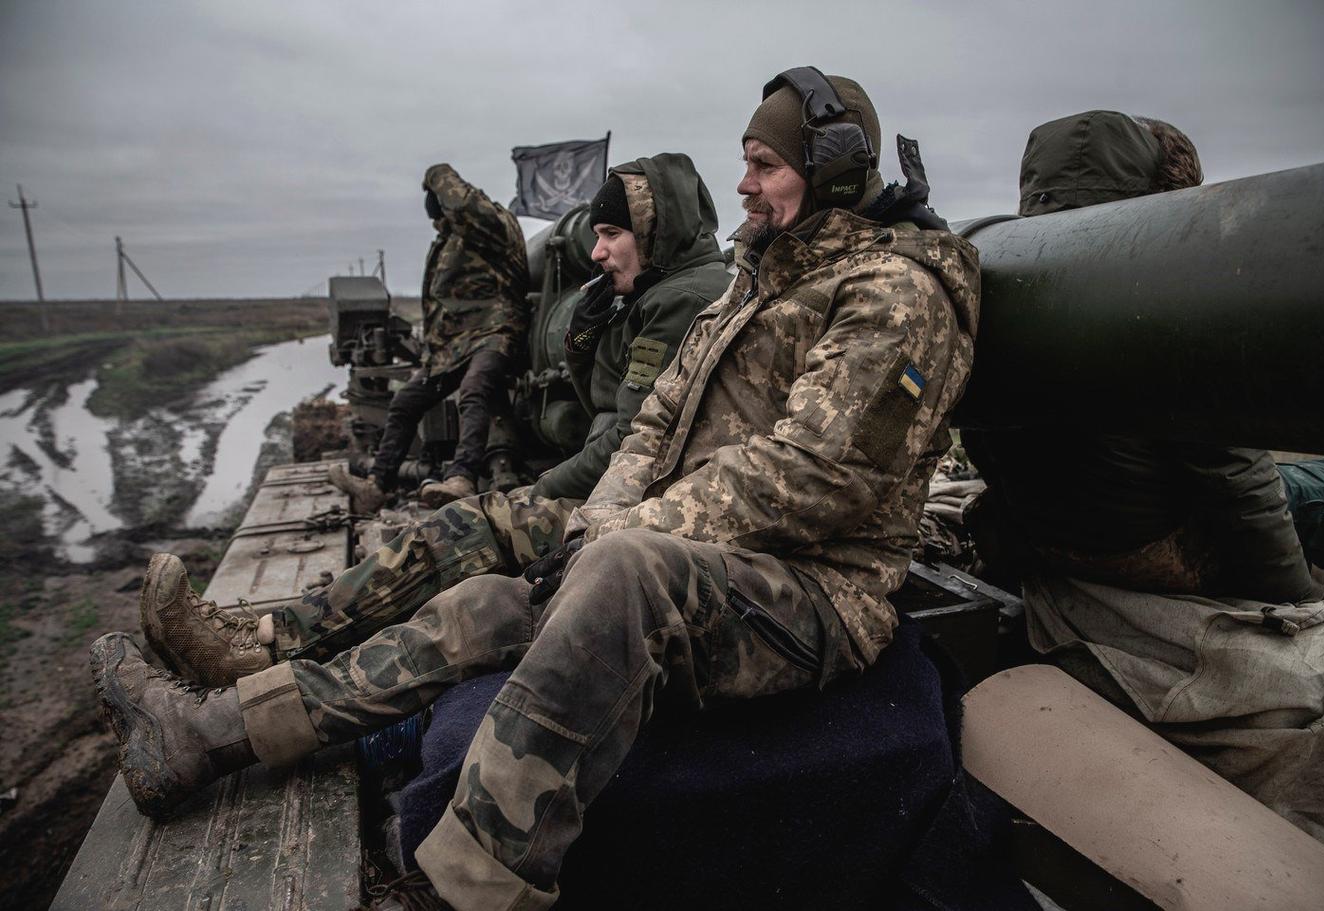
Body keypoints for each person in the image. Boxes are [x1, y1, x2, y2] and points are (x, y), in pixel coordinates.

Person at [93, 67, 980, 907]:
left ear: (831, 174)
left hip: (816, 588)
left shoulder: (896, 295)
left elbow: (814, 479)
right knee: (485, 603)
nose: (744, 184)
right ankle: (205, 735)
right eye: (743, 162)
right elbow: (652, 426)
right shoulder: (759, 277)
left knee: (621, 573)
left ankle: (459, 891)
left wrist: (628, 533)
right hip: (702, 552)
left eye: (765, 164)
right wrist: (599, 521)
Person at [141, 154, 731, 686]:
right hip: (628, 493)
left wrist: (542, 488)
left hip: (640, 504)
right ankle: (270, 636)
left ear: (654, 231)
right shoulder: (657, 292)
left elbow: (630, 442)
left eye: (611, 234)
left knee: (455, 536)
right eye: (596, 236)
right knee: (457, 533)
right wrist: (584, 336)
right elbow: (608, 415)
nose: (598, 253)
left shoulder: (677, 299)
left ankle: (267, 646)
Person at [964, 110, 1324, 865]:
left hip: (1086, 533)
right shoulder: (1148, 286)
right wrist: (1296, 601)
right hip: (1181, 536)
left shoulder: (999, 286)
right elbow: (1239, 481)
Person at [330, 164, 529, 513]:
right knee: (407, 401)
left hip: (495, 332)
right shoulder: (449, 239)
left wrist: (437, 173)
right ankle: (378, 484)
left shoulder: (493, 225)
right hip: (454, 345)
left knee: (475, 388)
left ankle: (462, 477)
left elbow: (468, 208)